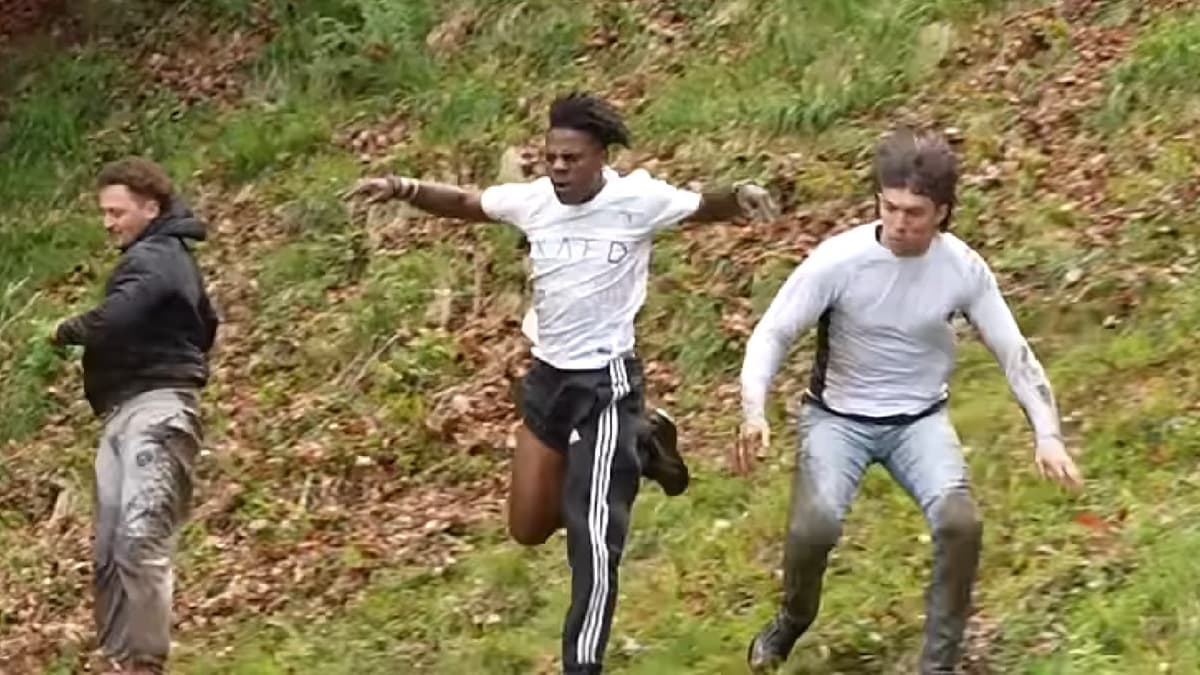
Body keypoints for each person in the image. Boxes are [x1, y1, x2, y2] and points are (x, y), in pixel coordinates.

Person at [345, 92, 779, 674]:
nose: (558, 168)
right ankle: (645, 441)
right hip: (548, 380)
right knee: (527, 527)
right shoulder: (535, 201)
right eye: (550, 157)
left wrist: (741, 197)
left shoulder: (637, 200)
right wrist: (401, 188)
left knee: (593, 538)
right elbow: (470, 202)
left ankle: (581, 663)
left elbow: (704, 205)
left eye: (571, 159)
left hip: (606, 385)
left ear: (600, 157)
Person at [734, 128, 1082, 674]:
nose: (899, 223)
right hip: (838, 419)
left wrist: (1048, 433)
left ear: (941, 212)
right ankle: (791, 622)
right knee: (814, 528)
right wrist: (754, 410)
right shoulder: (839, 260)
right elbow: (772, 333)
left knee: (960, 524)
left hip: (919, 420)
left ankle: (937, 664)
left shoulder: (962, 269)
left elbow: (1015, 352)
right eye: (889, 207)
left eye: (914, 212)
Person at [51, 157, 219, 675]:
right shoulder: (157, 256)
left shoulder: (159, 254)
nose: (108, 223)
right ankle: (120, 659)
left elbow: (124, 311)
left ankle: (144, 663)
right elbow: (206, 325)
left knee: (139, 536)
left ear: (151, 207)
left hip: (157, 410)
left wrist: (68, 329)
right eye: (104, 213)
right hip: (125, 411)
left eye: (116, 211)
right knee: (108, 549)